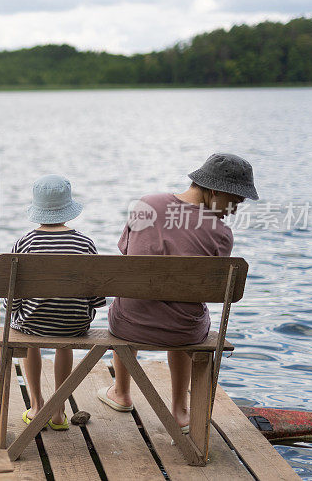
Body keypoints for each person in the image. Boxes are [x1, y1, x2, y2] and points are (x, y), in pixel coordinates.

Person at [100, 153, 259, 432]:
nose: (233, 211)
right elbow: (214, 288)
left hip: (129, 325)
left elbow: (125, 253)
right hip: (182, 333)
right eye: (234, 202)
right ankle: (179, 408)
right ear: (214, 191)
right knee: (185, 311)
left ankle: (121, 393)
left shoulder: (146, 204)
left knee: (131, 301)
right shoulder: (221, 233)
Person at [11, 174, 106, 430]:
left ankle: (36, 406)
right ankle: (59, 410)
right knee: (64, 343)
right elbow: (97, 299)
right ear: (68, 209)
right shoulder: (84, 243)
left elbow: (14, 296)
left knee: (29, 339)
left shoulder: (25, 243)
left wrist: (20, 314)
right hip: (73, 325)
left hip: (33, 323)